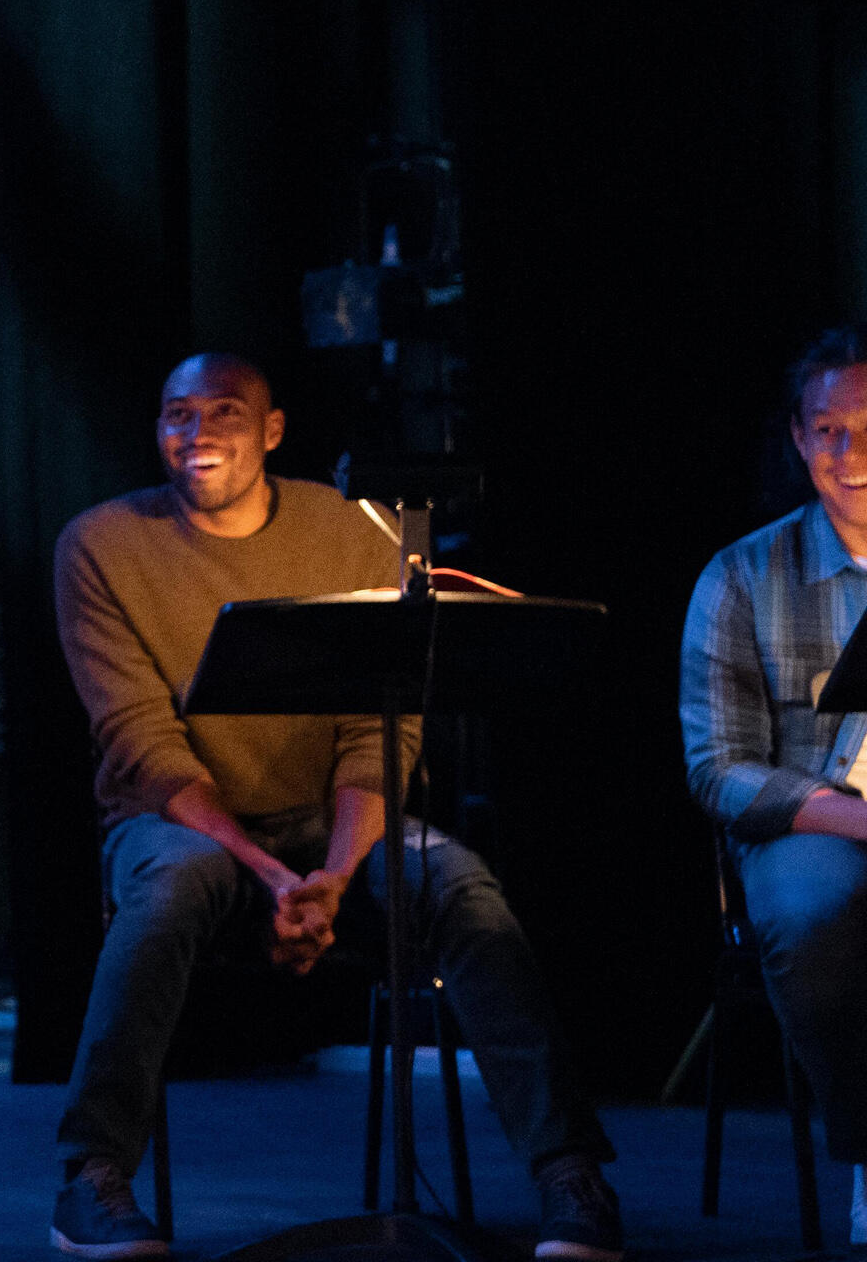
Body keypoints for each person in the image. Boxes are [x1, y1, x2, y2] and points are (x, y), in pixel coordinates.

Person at [49, 352, 620, 1262]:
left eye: (224, 413)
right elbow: (142, 746)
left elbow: (377, 731)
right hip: (179, 823)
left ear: (272, 431)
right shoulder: (102, 544)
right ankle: (91, 1172)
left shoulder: (356, 529)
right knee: (169, 887)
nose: (196, 435)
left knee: (461, 884)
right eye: (177, 415)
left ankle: (568, 1170)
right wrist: (279, 876)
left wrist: (335, 874)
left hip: (334, 827)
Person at [680, 321, 867, 1246]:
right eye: (826, 431)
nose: (850, 454)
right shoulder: (741, 574)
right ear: (799, 439)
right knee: (807, 921)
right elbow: (718, 769)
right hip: (822, 828)